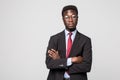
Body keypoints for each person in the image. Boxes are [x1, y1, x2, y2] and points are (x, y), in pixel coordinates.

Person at [45, 5, 92, 80]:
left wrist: (60, 61)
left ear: (77, 18)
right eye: (67, 17)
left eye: (73, 16)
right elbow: (49, 63)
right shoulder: (54, 39)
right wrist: (73, 60)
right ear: (63, 19)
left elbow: (86, 66)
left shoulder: (85, 40)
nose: (70, 20)